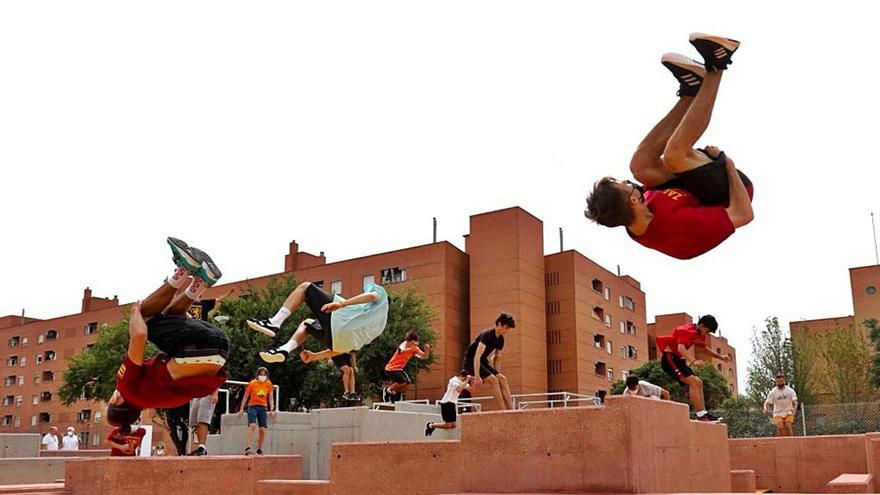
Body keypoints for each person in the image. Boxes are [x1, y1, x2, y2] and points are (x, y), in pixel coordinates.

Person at [584, 33, 754, 260]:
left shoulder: (634, 212)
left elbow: (643, 175)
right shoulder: (679, 228)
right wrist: (728, 163)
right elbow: (744, 215)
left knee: (640, 166)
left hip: (692, 188)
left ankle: (691, 91)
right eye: (625, 184)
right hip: (729, 195)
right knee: (675, 155)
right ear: (633, 200)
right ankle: (718, 62)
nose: (629, 181)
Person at [106, 237, 228, 430]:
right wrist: (135, 313)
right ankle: (184, 270)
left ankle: (201, 281)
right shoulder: (126, 388)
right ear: (117, 401)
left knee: (169, 316)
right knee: (147, 317)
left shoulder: (158, 400)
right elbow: (139, 337)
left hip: (219, 349)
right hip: (193, 350)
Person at [247, 281, 389, 364]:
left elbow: (372, 296)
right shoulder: (379, 327)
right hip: (337, 342)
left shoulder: (381, 294)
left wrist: (342, 304)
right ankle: (285, 349)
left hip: (339, 320)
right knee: (307, 324)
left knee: (305, 287)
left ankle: (274, 323)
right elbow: (345, 349)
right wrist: (316, 356)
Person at [656, 315, 730, 421]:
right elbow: (681, 348)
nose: (706, 334)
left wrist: (721, 358)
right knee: (693, 382)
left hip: (678, 360)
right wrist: (694, 361)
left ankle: (704, 413)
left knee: (699, 382)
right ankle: (700, 415)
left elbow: (703, 350)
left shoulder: (699, 335)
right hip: (669, 359)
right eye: (707, 331)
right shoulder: (685, 330)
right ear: (701, 325)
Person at [463, 312, 515, 410]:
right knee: (494, 381)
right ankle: (503, 411)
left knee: (502, 379)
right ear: (499, 324)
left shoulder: (501, 340)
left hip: (483, 361)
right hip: (471, 361)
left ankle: (511, 409)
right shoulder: (487, 335)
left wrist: (497, 372)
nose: (507, 330)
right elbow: (477, 356)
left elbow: (497, 359)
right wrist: (477, 377)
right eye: (506, 327)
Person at [382, 332, 431, 403]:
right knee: (402, 382)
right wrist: (411, 349)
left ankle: (394, 392)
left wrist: (427, 350)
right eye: (411, 344)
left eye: (414, 344)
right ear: (408, 342)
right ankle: (387, 391)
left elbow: (424, 357)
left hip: (399, 369)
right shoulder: (404, 344)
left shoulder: (415, 349)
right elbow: (400, 351)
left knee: (407, 383)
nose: (413, 345)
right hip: (391, 368)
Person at [237, 367, 275, 456]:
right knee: (252, 425)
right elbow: (246, 396)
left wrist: (271, 409)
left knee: (262, 429)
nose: (262, 376)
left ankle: (259, 449)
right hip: (252, 406)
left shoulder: (269, 384)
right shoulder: (252, 383)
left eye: (264, 374)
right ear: (257, 375)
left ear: (266, 375)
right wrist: (241, 408)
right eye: (260, 374)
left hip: (263, 407)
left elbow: (270, 397)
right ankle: (247, 447)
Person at [425, 370, 471, 436]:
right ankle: (430, 425)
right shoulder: (453, 380)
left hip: (452, 404)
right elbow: (458, 390)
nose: (465, 380)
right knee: (448, 425)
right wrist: (466, 381)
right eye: (465, 379)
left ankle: (432, 426)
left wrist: (477, 380)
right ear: (462, 376)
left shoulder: (463, 383)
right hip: (447, 403)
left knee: (453, 426)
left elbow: (472, 389)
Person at [187, 389, 219, 456]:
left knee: (203, 419)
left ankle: (202, 447)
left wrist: (215, 393)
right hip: (197, 394)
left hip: (208, 392)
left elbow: (216, 378)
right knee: (195, 421)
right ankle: (200, 447)